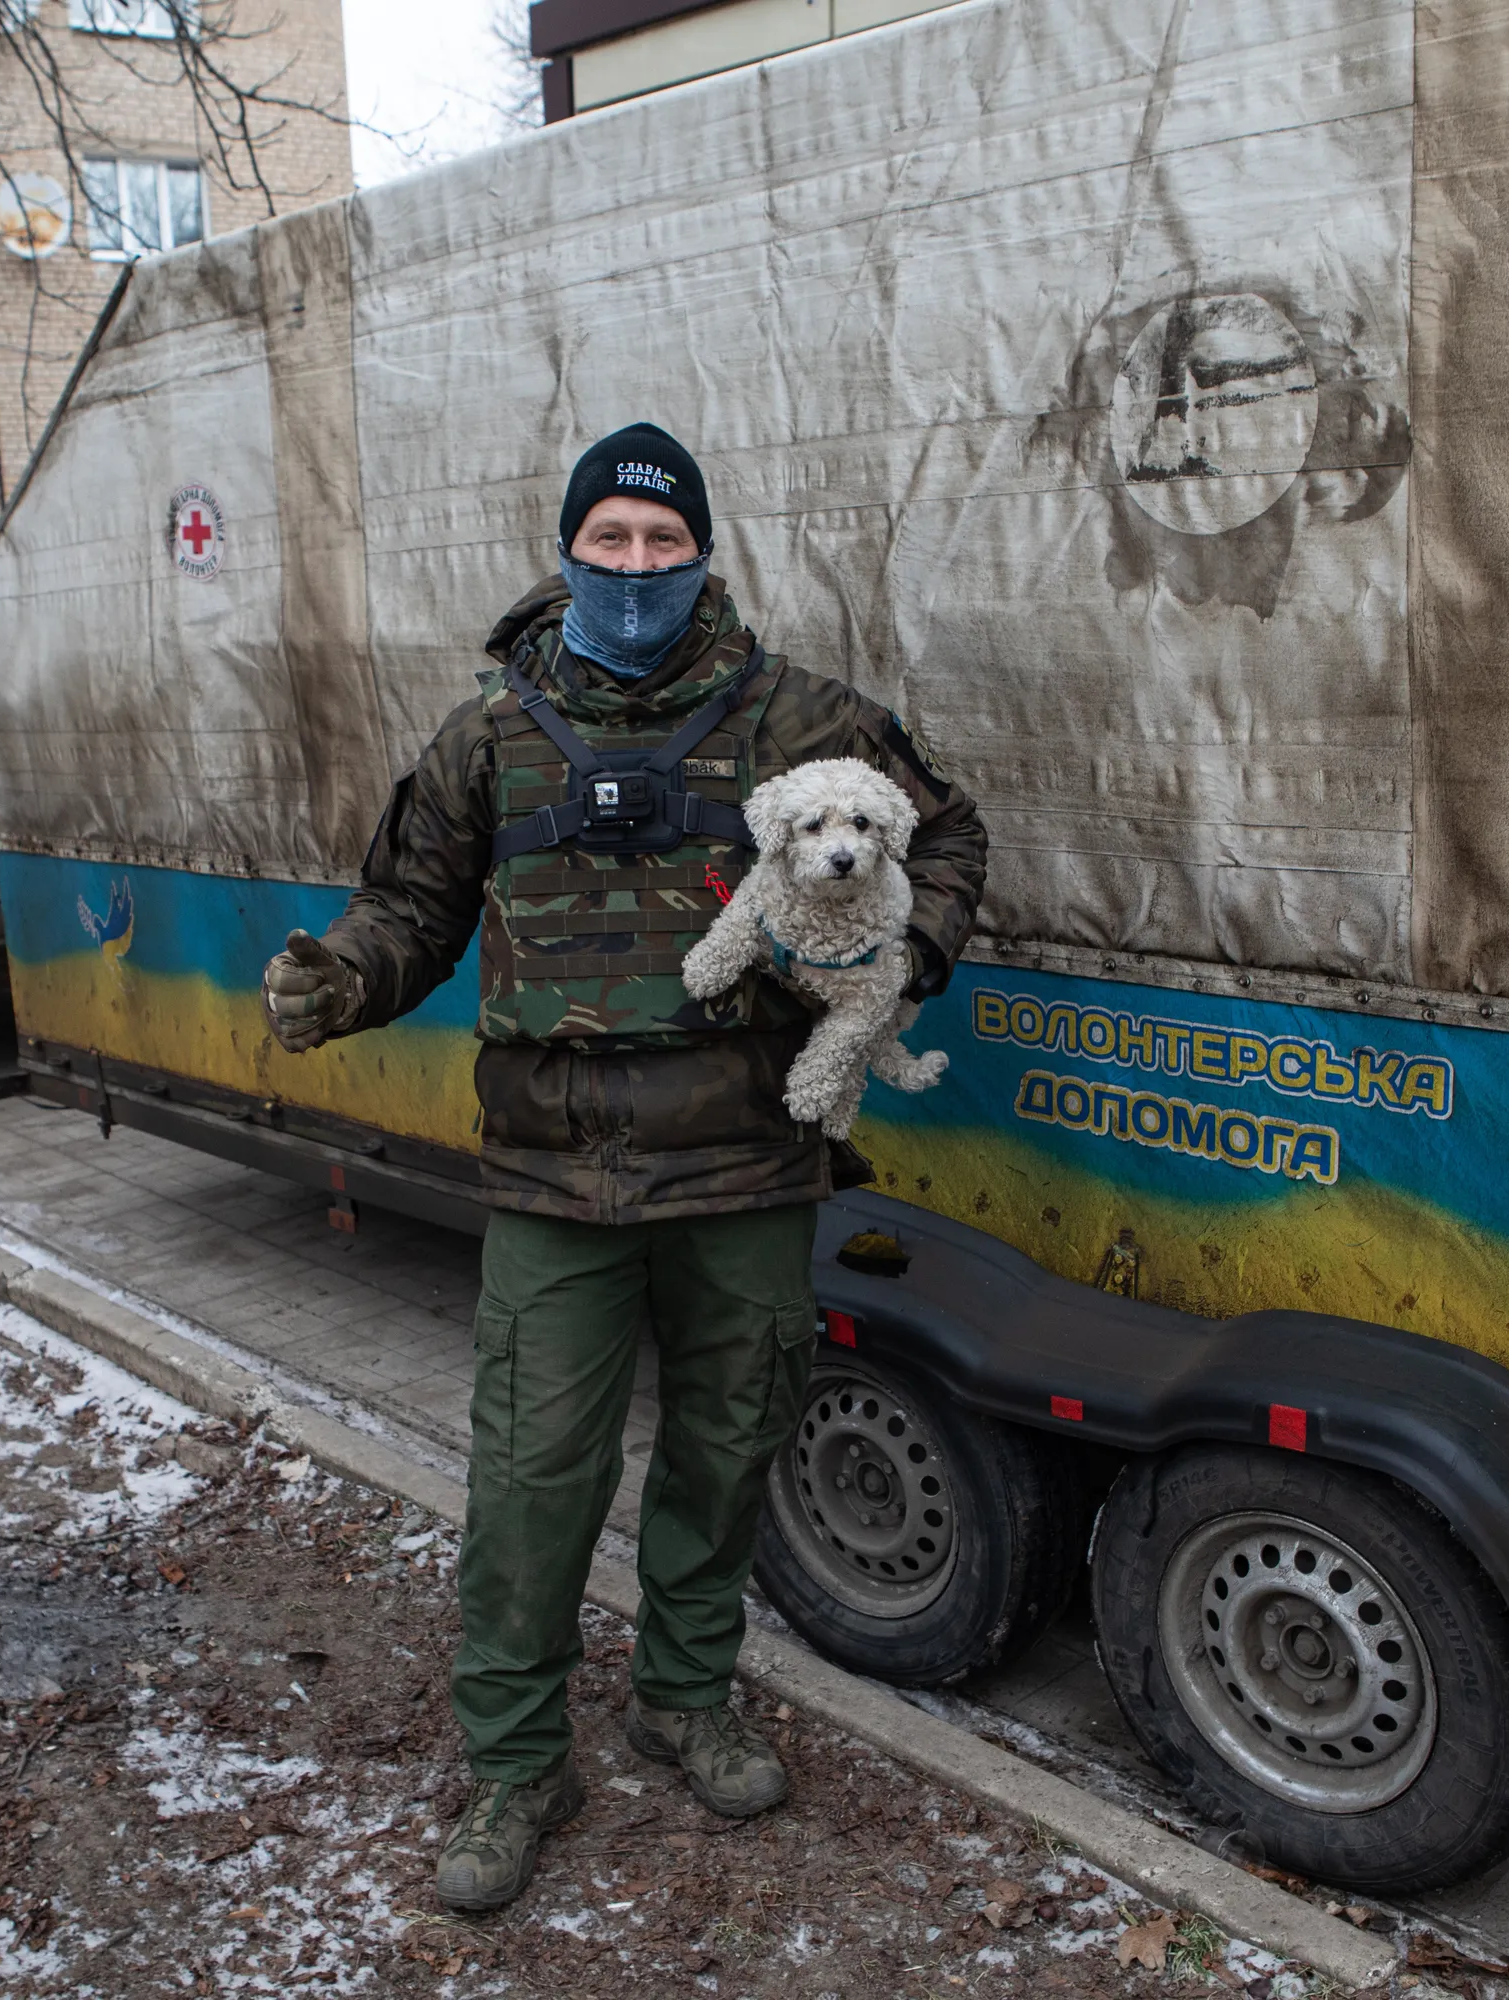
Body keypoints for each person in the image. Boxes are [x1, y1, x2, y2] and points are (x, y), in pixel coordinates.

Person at [261, 423, 987, 1910]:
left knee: (726, 1456)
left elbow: (951, 834)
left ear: (702, 554)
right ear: (569, 550)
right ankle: (517, 1764)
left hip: (747, 1166)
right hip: (557, 1175)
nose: (639, 565)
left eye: (665, 541)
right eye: (612, 539)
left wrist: (902, 960)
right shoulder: (489, 737)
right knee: (533, 1483)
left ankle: (683, 1697)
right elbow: (410, 909)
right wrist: (341, 980)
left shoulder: (799, 717)